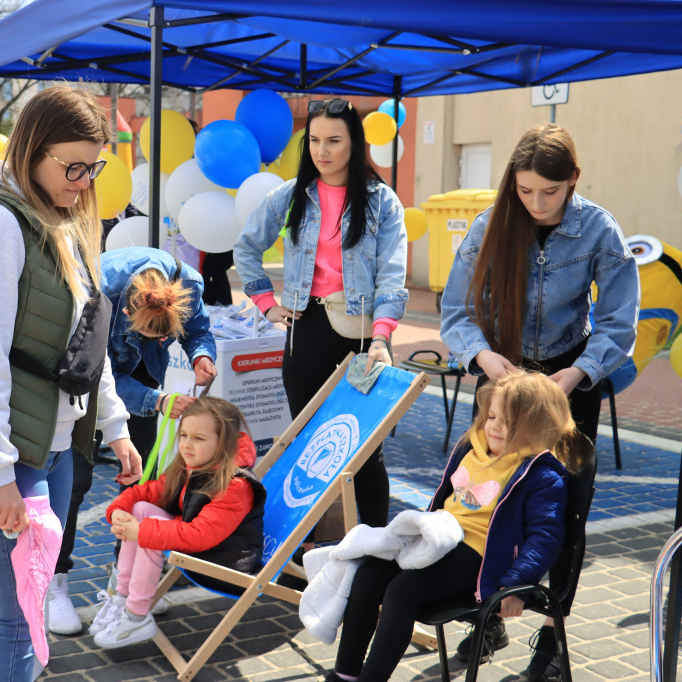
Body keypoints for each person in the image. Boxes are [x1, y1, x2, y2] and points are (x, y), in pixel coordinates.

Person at [0, 84, 142, 682]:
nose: (84, 180)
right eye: (72, 165)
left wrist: (114, 426)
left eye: (93, 166)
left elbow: (83, 342)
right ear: (30, 151)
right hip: (1, 449)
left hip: (53, 439)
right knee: (14, 616)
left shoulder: (59, 216)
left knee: (29, 608)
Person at [439, 122, 639, 677]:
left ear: (573, 179)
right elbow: (456, 311)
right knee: (484, 501)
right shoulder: (489, 225)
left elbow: (621, 321)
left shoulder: (601, 230)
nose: (536, 203)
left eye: (549, 192)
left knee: (565, 511)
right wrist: (482, 359)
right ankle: (488, 619)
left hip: (568, 384)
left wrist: (578, 373)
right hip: (501, 381)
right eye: (525, 191)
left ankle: (551, 645)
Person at [324, 372, 579, 682]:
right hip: (440, 542)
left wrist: (516, 584)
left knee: (402, 592)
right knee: (368, 575)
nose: (494, 426)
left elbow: (545, 538)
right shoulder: (473, 449)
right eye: (492, 416)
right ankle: (345, 675)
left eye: (508, 421)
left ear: (538, 426)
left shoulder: (541, 474)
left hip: (481, 559)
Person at [233, 97, 408, 530]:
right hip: (304, 332)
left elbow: (392, 274)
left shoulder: (381, 202)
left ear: (355, 143)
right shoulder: (290, 195)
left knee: (366, 450)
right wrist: (266, 304)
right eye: (313, 140)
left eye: (333, 140)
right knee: (306, 447)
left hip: (362, 340)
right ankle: (301, 548)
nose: (322, 151)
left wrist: (383, 338)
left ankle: (371, 549)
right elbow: (246, 247)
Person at [47, 246, 217, 635]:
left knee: (143, 488)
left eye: (164, 338)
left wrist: (200, 355)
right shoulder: (96, 290)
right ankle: (53, 584)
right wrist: (154, 400)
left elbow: (199, 331)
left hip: (141, 385)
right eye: (143, 335)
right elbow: (95, 370)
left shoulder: (187, 283)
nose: (155, 343)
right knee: (72, 485)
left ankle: (126, 583)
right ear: (127, 313)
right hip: (81, 383)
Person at [89, 397, 265, 649]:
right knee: (140, 509)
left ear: (223, 443)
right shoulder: (194, 465)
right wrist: (119, 510)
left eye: (198, 438)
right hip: (202, 547)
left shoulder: (235, 485)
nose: (186, 445)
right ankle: (122, 598)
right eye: (184, 435)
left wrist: (142, 531)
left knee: (152, 530)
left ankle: (137, 615)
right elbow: (150, 492)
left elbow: (201, 535)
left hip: (225, 562)